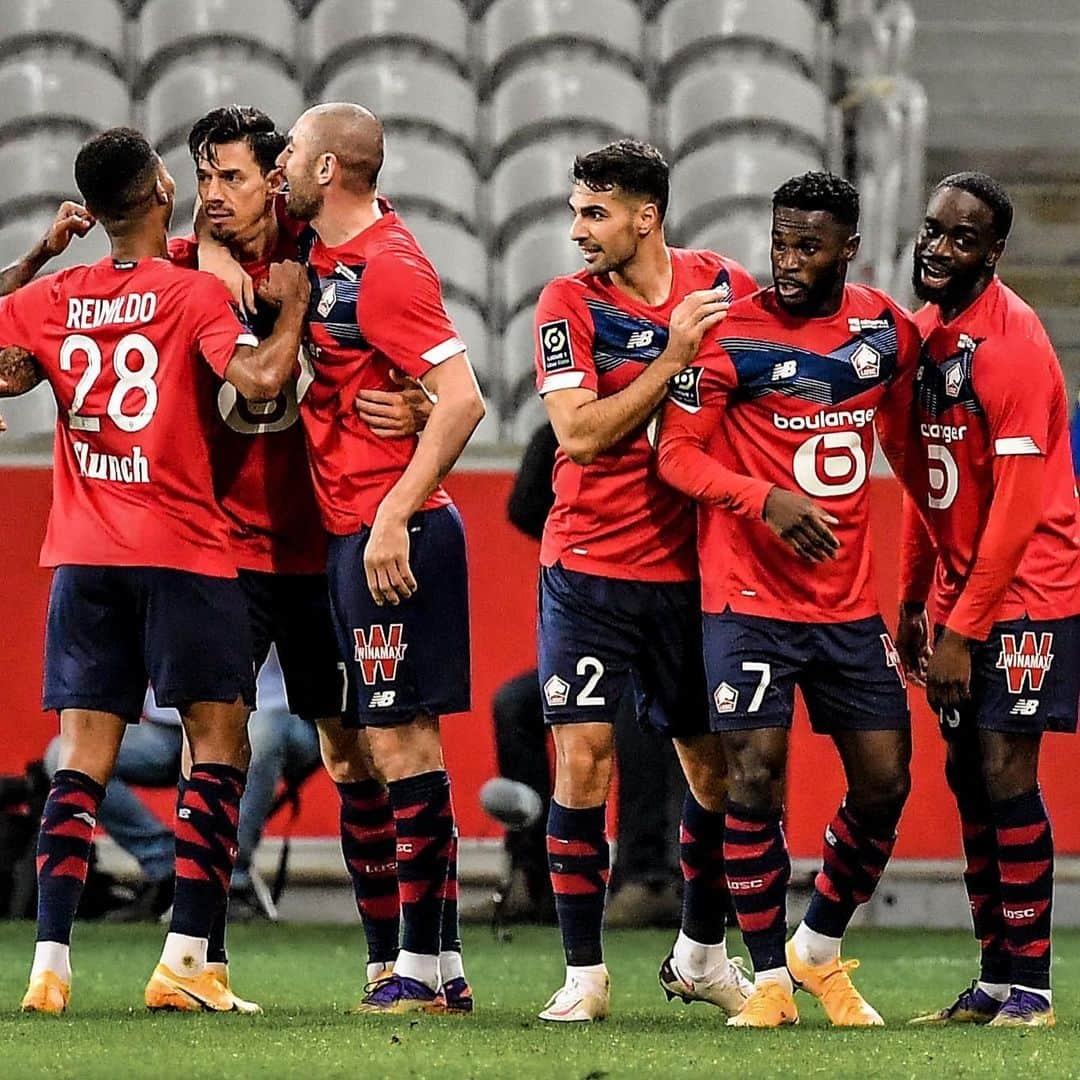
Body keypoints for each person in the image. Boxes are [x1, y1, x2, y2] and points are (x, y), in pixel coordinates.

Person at [0, 126, 310, 1013]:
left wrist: (38, 252)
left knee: (79, 761)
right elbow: (256, 382)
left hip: (83, 558)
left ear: (91, 214)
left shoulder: (59, 296)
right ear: (162, 193)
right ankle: (186, 964)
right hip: (183, 552)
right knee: (219, 747)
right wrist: (287, 309)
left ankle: (49, 966)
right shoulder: (190, 296)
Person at [657, 171, 920, 1028]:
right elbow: (678, 458)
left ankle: (817, 947)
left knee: (885, 782)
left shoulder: (886, 329)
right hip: (747, 599)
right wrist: (760, 499)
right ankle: (769, 978)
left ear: (849, 246)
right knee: (755, 784)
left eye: (809, 246)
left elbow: (918, 422)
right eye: (780, 242)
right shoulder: (728, 333)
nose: (789, 261)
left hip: (847, 607)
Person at [179, 104, 428, 993]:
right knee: (215, 747)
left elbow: (418, 366)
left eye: (235, 176)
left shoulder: (334, 253)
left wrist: (426, 409)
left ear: (275, 181)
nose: (215, 195)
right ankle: (199, 956)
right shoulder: (188, 272)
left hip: (324, 544)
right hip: (223, 550)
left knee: (351, 748)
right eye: (204, 178)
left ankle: (386, 958)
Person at [532, 139, 758, 1023]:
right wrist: (670, 360)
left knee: (715, 770)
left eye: (596, 212)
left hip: (693, 575)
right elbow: (579, 435)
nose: (578, 229)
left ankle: (701, 953)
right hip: (588, 567)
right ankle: (584, 975)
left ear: (645, 216)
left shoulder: (721, 286)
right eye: (576, 210)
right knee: (584, 761)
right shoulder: (568, 304)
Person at [275, 102, 486, 1014]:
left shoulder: (389, 272)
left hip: (394, 536)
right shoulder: (329, 253)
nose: (281, 160)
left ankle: (419, 967)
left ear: (327, 171)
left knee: (403, 741)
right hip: (349, 531)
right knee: (368, 744)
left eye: (292, 150)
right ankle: (435, 968)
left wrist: (395, 513)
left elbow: (465, 399)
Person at [896, 174, 1080, 1028]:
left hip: (1030, 590)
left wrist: (963, 630)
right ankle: (996, 977)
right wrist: (911, 597)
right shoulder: (928, 335)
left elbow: (1013, 510)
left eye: (961, 238)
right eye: (933, 231)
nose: (938, 248)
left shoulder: (1012, 344)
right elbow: (921, 485)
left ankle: (1034, 988)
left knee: (1007, 770)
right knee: (967, 775)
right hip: (959, 591)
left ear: (993, 252)